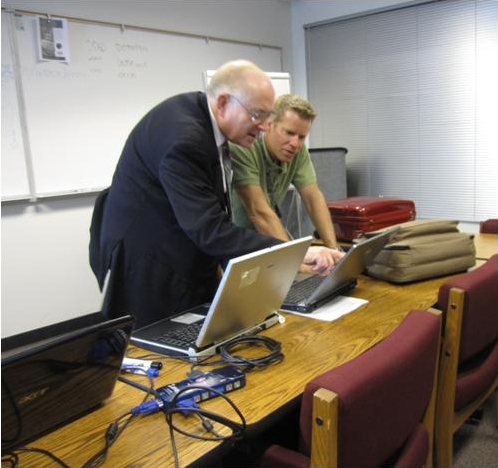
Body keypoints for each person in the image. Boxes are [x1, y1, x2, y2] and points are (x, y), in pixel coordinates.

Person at [89, 60, 339, 328]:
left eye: (268, 116)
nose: (265, 125)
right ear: (222, 103)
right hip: (152, 260)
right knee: (162, 343)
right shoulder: (184, 140)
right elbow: (209, 230)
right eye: (258, 115)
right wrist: (293, 255)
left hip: (183, 247)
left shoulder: (206, 121)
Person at [229, 94, 343, 254]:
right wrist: (294, 259)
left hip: (267, 243)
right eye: (289, 133)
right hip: (235, 244)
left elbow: (313, 199)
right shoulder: (245, 146)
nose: (295, 143)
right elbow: (259, 212)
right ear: (269, 125)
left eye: (301, 137)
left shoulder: (298, 151)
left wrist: (334, 251)